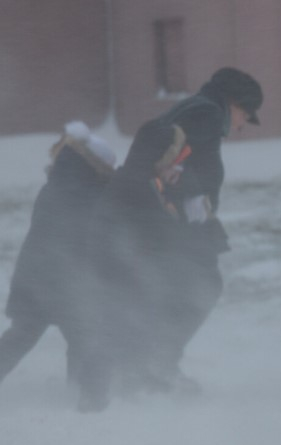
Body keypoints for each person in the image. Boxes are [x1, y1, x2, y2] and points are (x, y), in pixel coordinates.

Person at [149, 66, 263, 390]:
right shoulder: (208, 114)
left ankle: (151, 361)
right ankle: (158, 363)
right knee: (202, 286)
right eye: (247, 115)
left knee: (179, 287)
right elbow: (176, 167)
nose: (241, 126)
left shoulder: (197, 108)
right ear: (235, 104)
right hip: (173, 220)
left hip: (169, 217)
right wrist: (195, 207)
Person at [74, 119, 190, 412]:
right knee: (113, 328)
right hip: (116, 270)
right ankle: (94, 394)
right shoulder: (138, 184)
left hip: (120, 268)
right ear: (159, 155)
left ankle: (133, 380)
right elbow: (164, 232)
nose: (176, 164)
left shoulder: (138, 179)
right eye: (172, 158)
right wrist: (172, 208)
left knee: (132, 326)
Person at [0, 122, 116, 392]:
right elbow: (90, 237)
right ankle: (86, 394)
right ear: (96, 165)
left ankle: (79, 387)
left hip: (35, 275)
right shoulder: (88, 192)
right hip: (66, 281)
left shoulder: (55, 185)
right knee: (87, 335)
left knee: (22, 335)